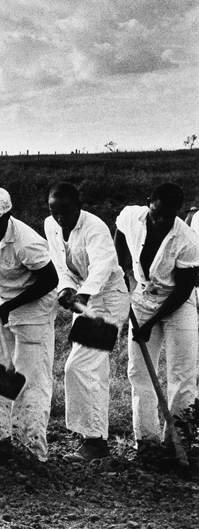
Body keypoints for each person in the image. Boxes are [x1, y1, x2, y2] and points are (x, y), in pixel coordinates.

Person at [45, 183, 129, 462]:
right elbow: (59, 265)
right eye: (54, 211)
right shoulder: (51, 225)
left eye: (66, 211)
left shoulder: (95, 227)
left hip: (107, 301)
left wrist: (82, 292)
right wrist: (65, 288)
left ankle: (95, 442)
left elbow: (103, 266)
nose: (60, 218)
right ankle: (93, 440)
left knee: (79, 367)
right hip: (85, 301)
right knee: (90, 369)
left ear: (79, 206)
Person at [0, 187, 58, 461]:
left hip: (34, 312)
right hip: (4, 306)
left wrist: (8, 306)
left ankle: (32, 451)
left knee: (31, 382)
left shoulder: (27, 242)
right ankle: (6, 439)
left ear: (7, 216)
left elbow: (50, 281)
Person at [115, 182, 199, 457]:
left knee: (182, 374)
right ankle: (147, 443)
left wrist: (150, 324)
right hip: (142, 298)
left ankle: (179, 445)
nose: (160, 220)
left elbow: (185, 289)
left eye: (168, 215)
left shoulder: (187, 239)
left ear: (178, 212)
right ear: (148, 202)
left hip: (178, 302)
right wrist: (119, 267)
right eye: (155, 213)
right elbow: (119, 227)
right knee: (138, 372)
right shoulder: (132, 216)